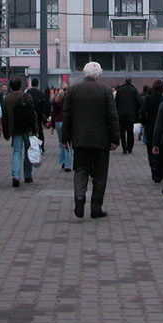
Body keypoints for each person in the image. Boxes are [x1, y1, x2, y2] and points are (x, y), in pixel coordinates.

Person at [60, 61, 120, 219]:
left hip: (80, 139)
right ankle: (96, 207)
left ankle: (79, 197)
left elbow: (67, 115)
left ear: (84, 74)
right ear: (98, 75)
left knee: (80, 170)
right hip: (102, 140)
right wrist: (115, 139)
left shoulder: (73, 91)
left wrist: (64, 138)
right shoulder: (106, 91)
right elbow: (112, 116)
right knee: (100, 174)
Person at [2, 76, 36, 187]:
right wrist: (36, 130)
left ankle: (15, 176)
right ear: (21, 86)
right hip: (28, 128)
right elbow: (33, 114)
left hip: (15, 129)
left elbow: (5, 118)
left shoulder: (7, 99)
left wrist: (6, 133)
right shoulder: (27, 97)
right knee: (28, 151)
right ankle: (27, 175)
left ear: (10, 86)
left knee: (17, 152)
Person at [138, 79, 163, 182]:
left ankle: (154, 168)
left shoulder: (148, 99)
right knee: (162, 150)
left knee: (151, 150)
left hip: (150, 128)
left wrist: (144, 121)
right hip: (162, 129)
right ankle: (161, 167)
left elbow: (142, 112)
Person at [114, 77, 142, 154]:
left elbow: (115, 103)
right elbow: (139, 102)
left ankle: (124, 148)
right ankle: (130, 148)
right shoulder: (134, 90)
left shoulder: (119, 90)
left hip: (121, 115)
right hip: (131, 115)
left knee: (122, 133)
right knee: (130, 132)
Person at [25, 77, 51, 151]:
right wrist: (46, 115)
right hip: (39, 115)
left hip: (29, 115)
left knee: (30, 131)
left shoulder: (27, 93)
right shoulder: (41, 94)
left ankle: (30, 146)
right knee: (39, 131)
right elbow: (46, 104)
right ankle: (40, 147)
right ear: (38, 84)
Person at [51, 85, 69, 171]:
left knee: (61, 142)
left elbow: (53, 112)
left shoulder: (56, 100)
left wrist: (52, 125)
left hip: (58, 121)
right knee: (68, 143)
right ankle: (68, 165)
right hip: (67, 122)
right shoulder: (69, 99)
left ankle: (62, 161)